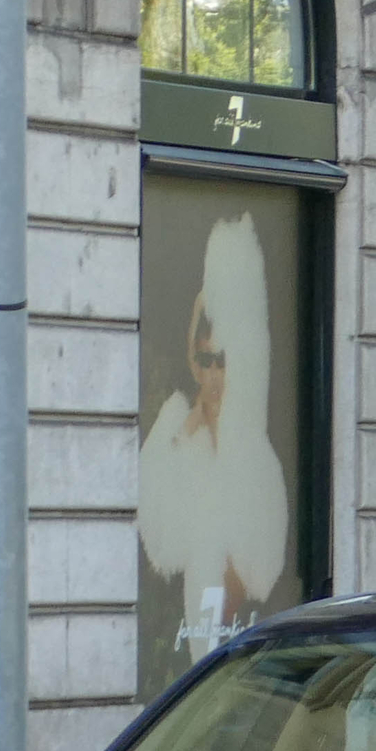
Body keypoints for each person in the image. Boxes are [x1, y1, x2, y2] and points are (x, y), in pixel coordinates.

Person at [138, 212, 291, 682]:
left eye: (220, 361)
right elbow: (161, 545)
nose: (211, 375)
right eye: (203, 360)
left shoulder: (255, 453)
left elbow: (262, 573)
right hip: (182, 641)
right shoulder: (176, 431)